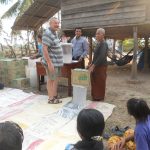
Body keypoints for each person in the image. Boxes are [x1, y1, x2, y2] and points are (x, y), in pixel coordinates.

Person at [42, 17, 63, 104]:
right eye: (55, 23)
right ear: (50, 24)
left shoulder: (55, 33)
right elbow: (44, 49)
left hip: (56, 63)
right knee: (51, 80)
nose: (57, 25)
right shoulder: (47, 33)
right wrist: (49, 63)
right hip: (52, 63)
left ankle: (54, 96)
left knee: (55, 79)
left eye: (58, 23)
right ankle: (51, 99)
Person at [88, 28, 108, 101]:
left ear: (102, 35)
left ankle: (99, 97)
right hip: (96, 66)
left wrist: (93, 65)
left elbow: (101, 56)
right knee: (95, 81)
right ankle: (95, 96)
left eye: (98, 33)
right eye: (96, 33)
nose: (96, 35)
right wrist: (91, 64)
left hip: (101, 66)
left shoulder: (104, 43)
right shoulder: (99, 43)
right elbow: (96, 56)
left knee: (100, 81)